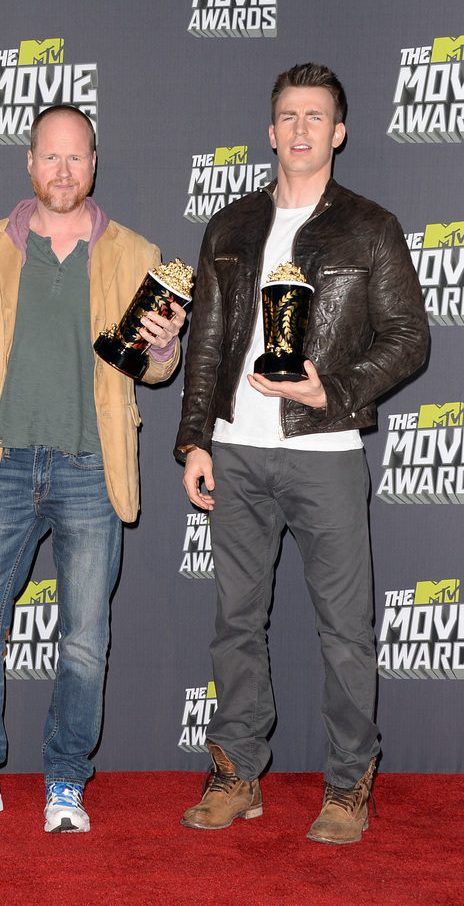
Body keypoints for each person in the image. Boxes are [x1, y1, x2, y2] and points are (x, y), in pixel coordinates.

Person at [0, 104, 185, 833]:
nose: (63, 171)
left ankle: (66, 781)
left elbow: (155, 372)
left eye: (77, 158)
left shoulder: (136, 251)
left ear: (93, 163)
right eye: (50, 157)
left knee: (84, 642)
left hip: (93, 470)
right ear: (29, 162)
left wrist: (163, 347)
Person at [175, 63, 429, 844]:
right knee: (235, 622)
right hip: (237, 450)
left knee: (345, 629)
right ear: (273, 128)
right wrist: (193, 437)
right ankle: (237, 773)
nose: (300, 128)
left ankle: (350, 785)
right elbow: (210, 341)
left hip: (325, 450)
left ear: (339, 131)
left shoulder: (370, 226)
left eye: (315, 116)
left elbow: (409, 338)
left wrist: (335, 393)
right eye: (288, 115)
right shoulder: (230, 225)